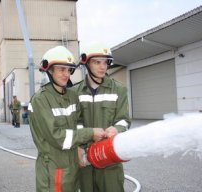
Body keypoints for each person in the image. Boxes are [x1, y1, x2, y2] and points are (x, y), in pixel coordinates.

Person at [28, 46, 106, 192]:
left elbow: (78, 123)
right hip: (53, 170)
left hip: (72, 168)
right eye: (61, 69)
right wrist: (90, 133)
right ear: (49, 70)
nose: (66, 74)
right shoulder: (40, 100)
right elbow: (57, 137)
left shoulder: (72, 96)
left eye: (69, 70)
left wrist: (80, 148)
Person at [73, 42, 131, 192]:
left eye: (105, 62)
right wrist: (78, 147)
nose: (102, 67)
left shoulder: (119, 89)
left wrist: (117, 129)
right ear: (86, 64)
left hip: (109, 159)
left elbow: (124, 119)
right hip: (84, 159)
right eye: (97, 62)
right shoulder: (74, 92)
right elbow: (74, 123)